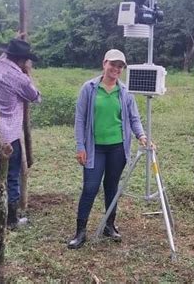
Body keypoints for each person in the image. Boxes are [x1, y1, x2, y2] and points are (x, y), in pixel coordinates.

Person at [68, 49, 147, 249]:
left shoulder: (125, 91)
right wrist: (80, 146)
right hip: (94, 148)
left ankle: (109, 226)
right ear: (104, 63)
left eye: (120, 66)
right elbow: (80, 119)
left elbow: (134, 118)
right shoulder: (89, 88)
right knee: (90, 188)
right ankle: (80, 232)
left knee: (112, 188)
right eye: (113, 64)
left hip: (117, 148)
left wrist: (142, 135)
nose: (116, 69)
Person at [0, 38, 41, 229]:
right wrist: (26, 76)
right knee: (11, 176)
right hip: (8, 137)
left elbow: (1, 59)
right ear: (22, 61)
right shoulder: (20, 78)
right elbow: (36, 97)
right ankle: (12, 219)